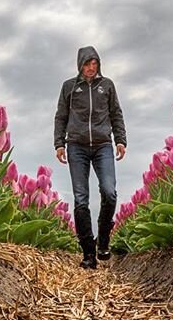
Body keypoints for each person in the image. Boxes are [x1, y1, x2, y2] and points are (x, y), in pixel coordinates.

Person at [54, 46, 127, 269]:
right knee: (81, 198)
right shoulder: (69, 87)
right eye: (87, 64)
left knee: (109, 191)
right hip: (76, 146)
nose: (91, 68)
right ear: (80, 65)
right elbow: (61, 116)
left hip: (103, 145)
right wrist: (59, 144)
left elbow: (116, 113)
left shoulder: (107, 86)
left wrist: (121, 140)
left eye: (94, 63)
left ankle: (103, 240)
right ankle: (88, 252)